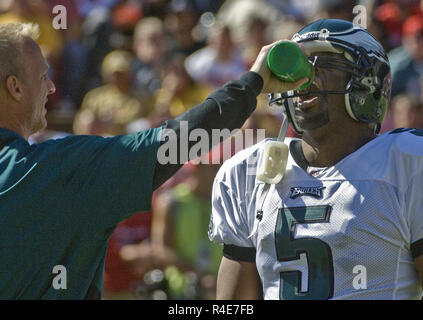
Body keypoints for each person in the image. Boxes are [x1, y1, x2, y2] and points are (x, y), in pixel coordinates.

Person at [0, 22, 305, 299]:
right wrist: (251, 85)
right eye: (42, 76)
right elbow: (175, 142)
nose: (52, 87)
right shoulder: (51, 170)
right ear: (14, 88)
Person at [208, 18, 423, 300]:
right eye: (298, 66)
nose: (305, 78)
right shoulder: (247, 171)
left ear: (367, 83)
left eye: (324, 66)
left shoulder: (407, 163)